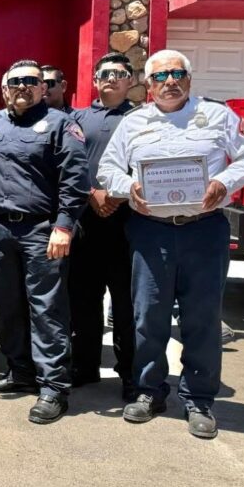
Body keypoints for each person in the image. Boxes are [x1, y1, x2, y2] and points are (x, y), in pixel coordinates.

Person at [98, 49, 244, 439]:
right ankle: (149, 391)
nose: (169, 82)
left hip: (203, 230)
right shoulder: (133, 122)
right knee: (147, 316)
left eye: (177, 74)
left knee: (202, 318)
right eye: (160, 76)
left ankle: (199, 400)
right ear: (148, 84)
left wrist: (224, 182)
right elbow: (108, 169)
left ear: (189, 79)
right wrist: (128, 187)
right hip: (150, 231)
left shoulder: (218, 116)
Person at [0, 60, 89, 425]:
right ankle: (20, 371)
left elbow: (75, 178)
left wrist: (64, 226)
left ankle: (53, 387)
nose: (23, 86)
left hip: (41, 230)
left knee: (47, 309)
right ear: (5, 89)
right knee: (6, 305)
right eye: (16, 82)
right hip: (0, 230)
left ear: (43, 88)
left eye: (31, 80)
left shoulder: (61, 125)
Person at [69, 54, 137, 400]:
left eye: (119, 74)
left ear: (131, 81)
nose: (111, 78)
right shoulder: (77, 119)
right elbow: (68, 163)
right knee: (83, 301)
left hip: (127, 226)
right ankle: (85, 366)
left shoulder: (142, 119)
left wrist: (117, 196)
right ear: (95, 80)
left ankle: (130, 374)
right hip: (85, 224)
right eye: (105, 73)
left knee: (126, 305)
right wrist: (91, 193)